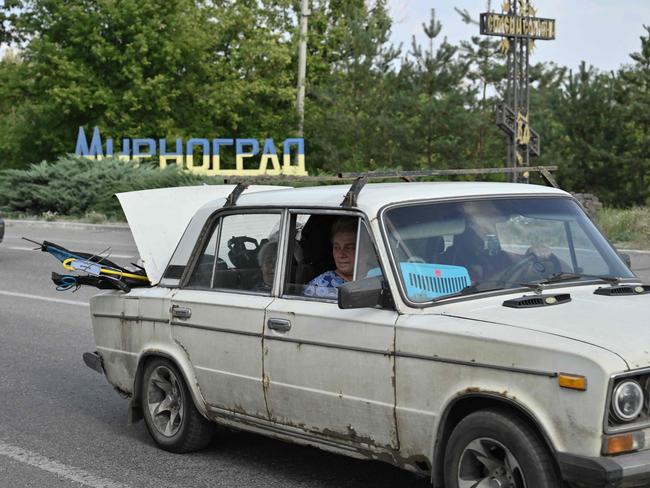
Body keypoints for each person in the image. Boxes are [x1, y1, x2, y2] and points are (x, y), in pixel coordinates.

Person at [304, 217, 357, 298]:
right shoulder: (318, 287)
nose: (341, 254)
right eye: (337, 247)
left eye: (349, 247)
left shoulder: (377, 278)